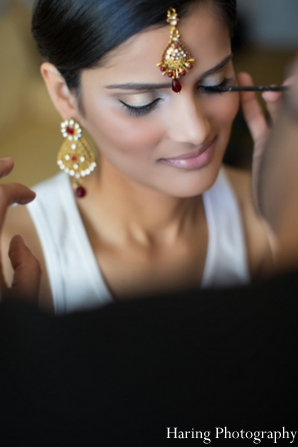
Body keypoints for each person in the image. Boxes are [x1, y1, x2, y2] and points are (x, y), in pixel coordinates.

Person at [1, 0, 279, 314]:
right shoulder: (14, 253)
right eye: (141, 102)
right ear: (64, 95)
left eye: (214, 84)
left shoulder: (274, 217)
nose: (196, 131)